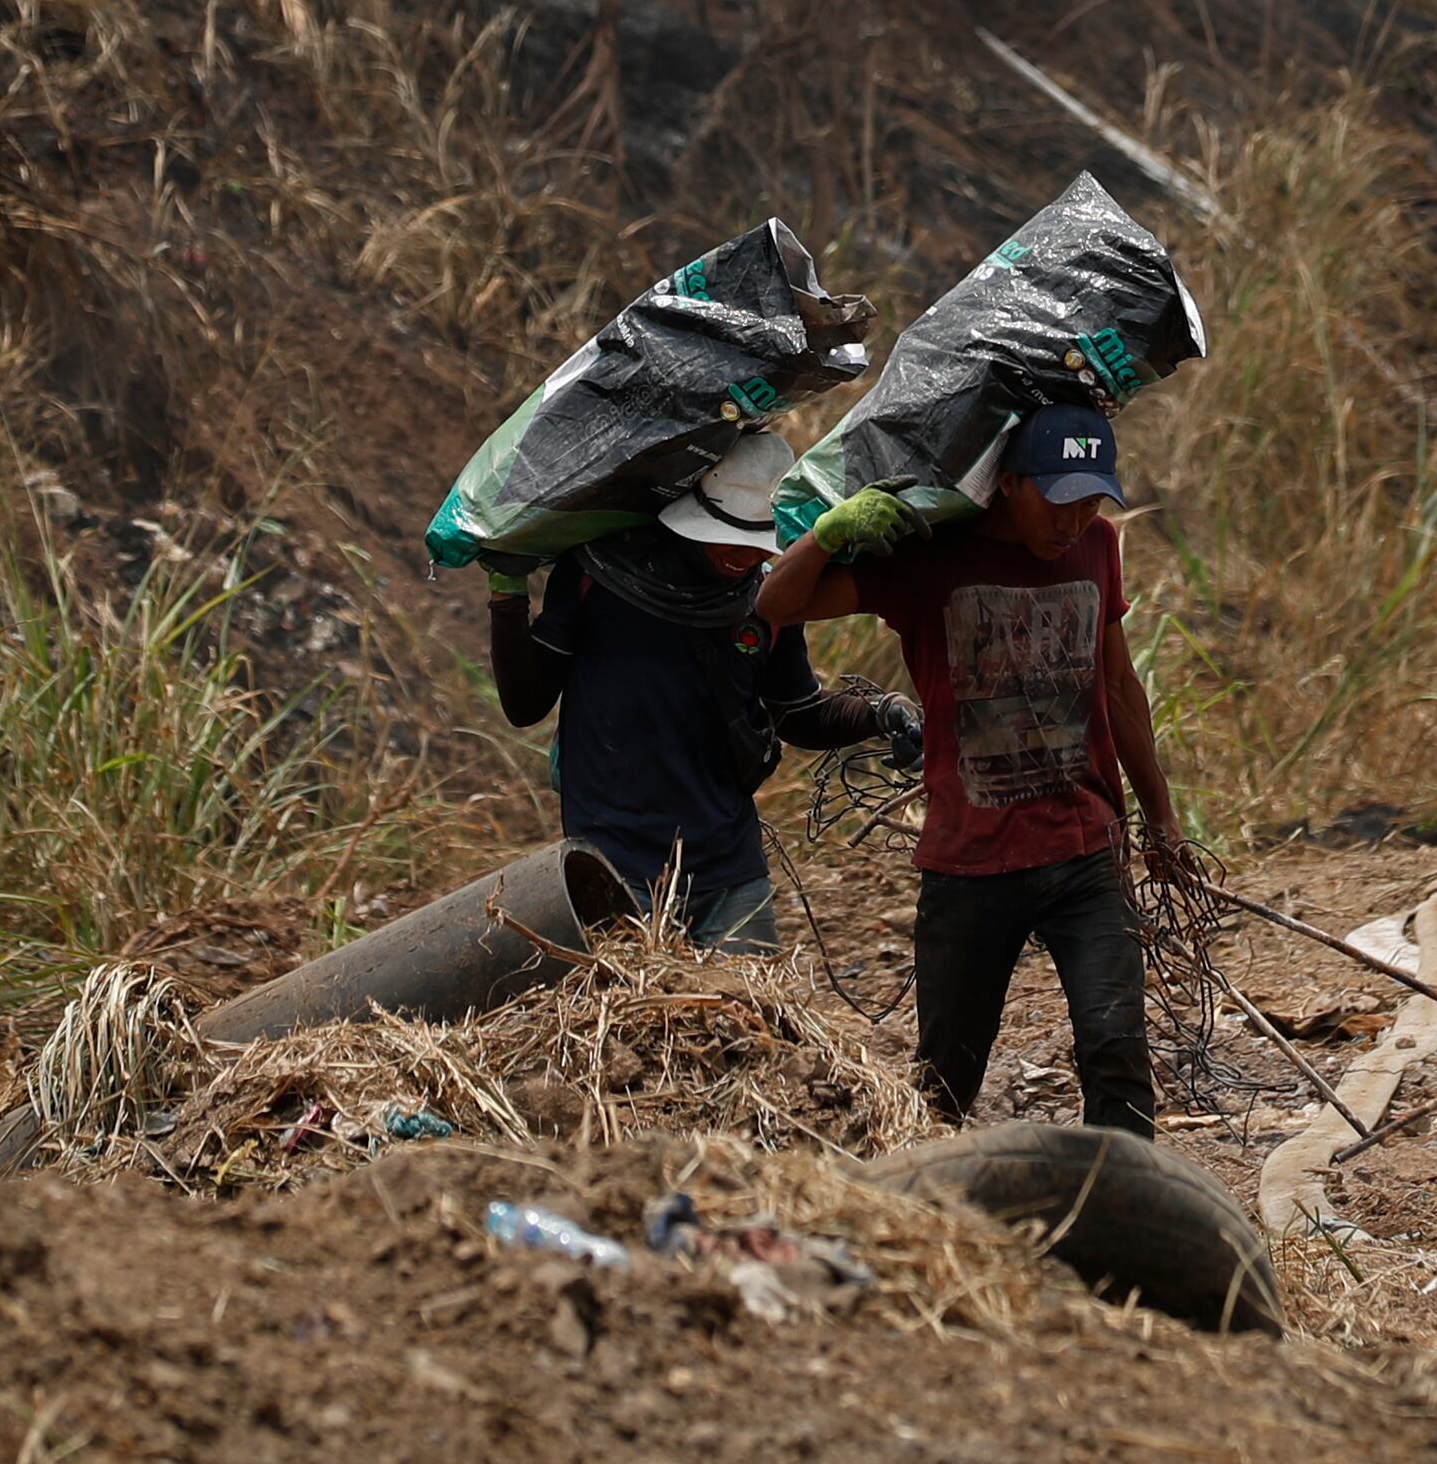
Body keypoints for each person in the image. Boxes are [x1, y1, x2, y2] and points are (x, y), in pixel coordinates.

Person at [752, 402, 1195, 1137]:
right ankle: (934, 1221)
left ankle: (1125, 1216)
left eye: (1091, 498)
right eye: (1058, 499)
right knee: (946, 1079)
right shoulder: (930, 558)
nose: (1073, 518)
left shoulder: (1097, 546)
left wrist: (1161, 816)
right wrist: (829, 534)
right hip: (971, 865)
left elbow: (1118, 685)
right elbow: (775, 602)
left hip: (1086, 849)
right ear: (1010, 483)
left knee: (1116, 1050)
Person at [486, 430, 911, 949]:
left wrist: (881, 713)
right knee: (632, 1027)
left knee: (753, 1026)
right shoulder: (600, 575)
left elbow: (797, 713)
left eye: (757, 544)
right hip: (612, 866)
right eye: (729, 537)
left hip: (727, 869)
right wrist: (506, 598)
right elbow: (525, 704)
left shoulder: (768, 600)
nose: (743, 555)